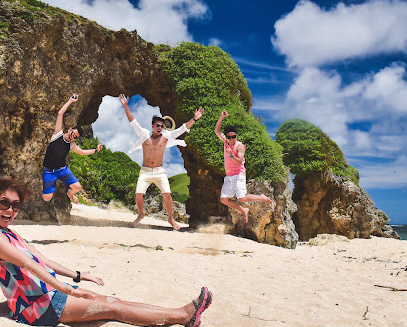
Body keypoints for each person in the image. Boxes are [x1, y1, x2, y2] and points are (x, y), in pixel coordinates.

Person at [0, 178, 213, 327]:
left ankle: (182, 313)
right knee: (112, 309)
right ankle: (184, 316)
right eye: (4, 203)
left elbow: (43, 260)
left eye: (15, 205)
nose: (10, 210)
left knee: (114, 301)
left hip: (49, 292)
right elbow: (27, 264)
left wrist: (78, 275)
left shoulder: (8, 232)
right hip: (37, 307)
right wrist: (68, 289)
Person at [119, 94, 204, 230]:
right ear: (152, 126)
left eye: (162, 126)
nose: (160, 128)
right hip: (145, 171)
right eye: (158, 125)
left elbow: (183, 129)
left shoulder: (165, 137)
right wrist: (125, 106)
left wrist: (194, 118)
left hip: (159, 171)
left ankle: (170, 219)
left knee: (167, 195)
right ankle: (141, 215)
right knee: (139, 194)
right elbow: (132, 121)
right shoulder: (144, 135)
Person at [42, 94, 102, 204]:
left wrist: (96, 150)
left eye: (75, 137)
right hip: (49, 170)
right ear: (70, 130)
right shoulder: (58, 134)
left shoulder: (71, 144)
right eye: (73, 133)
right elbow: (60, 113)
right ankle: (48, 187)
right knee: (47, 198)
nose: (72, 137)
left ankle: (70, 193)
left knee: (77, 187)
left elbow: (82, 152)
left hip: (62, 170)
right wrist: (70, 101)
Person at [214, 109, 272, 222]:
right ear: (226, 137)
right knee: (224, 199)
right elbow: (217, 131)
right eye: (229, 137)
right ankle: (243, 210)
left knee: (242, 198)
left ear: (236, 136)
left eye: (234, 136)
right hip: (229, 175)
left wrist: (231, 155)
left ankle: (262, 198)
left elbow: (239, 161)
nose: (231, 139)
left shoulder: (240, 146)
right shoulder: (226, 142)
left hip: (238, 174)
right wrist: (221, 117)